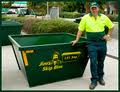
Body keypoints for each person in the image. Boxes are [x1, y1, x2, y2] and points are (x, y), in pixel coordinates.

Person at [71, 2, 114, 90]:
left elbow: (111, 26)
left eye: (95, 8)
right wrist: (77, 39)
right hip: (91, 43)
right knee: (93, 62)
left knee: (101, 61)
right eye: (92, 8)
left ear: (98, 8)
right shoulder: (85, 18)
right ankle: (94, 80)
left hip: (102, 43)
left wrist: (108, 35)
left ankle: (100, 78)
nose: (94, 10)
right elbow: (80, 29)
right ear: (90, 9)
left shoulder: (104, 17)